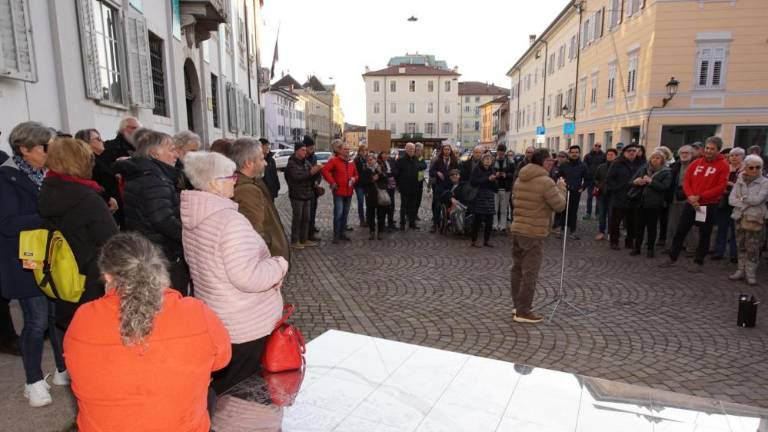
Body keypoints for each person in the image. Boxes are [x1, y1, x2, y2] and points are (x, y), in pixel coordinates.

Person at [64, 232, 231, 431]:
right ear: (157, 268)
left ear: (108, 275)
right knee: (209, 393)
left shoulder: (83, 320)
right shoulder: (196, 312)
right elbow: (222, 359)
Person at [181, 152, 288, 395]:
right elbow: (248, 277)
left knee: (225, 390)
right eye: (231, 176)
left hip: (218, 316)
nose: (235, 181)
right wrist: (279, 264)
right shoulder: (230, 221)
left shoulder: (194, 216)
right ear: (215, 183)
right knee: (244, 393)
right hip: (246, 323)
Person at [0, 122, 66, 407]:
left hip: (50, 260)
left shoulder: (46, 175)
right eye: (44, 147)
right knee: (36, 321)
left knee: (55, 318)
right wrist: (47, 216)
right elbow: (7, 224)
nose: (49, 151)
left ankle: (62, 370)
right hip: (24, 263)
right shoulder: (6, 178)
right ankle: (33, 381)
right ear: (24, 150)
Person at [38, 138, 119, 327]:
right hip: (91, 282)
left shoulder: (47, 189)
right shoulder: (88, 199)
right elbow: (113, 243)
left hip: (63, 275)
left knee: (69, 332)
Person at [113, 131, 190, 296]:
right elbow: (162, 219)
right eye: (171, 149)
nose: (175, 155)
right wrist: (188, 235)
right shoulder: (153, 179)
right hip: (162, 254)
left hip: (151, 250)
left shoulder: (148, 174)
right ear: (155, 153)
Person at [510, 149, 567, 324]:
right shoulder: (546, 182)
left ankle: (517, 305)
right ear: (543, 162)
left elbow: (514, 200)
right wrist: (561, 189)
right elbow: (559, 206)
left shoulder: (520, 178)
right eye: (550, 160)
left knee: (517, 269)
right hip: (533, 232)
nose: (553, 163)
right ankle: (524, 311)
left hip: (518, 228)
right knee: (530, 272)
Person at [661, 136, 730, 270]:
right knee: (681, 231)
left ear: (718, 150)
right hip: (691, 203)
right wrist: (691, 196)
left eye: (712, 149)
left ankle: (698, 261)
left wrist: (700, 197)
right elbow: (687, 181)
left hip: (706, 205)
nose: (709, 151)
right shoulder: (696, 162)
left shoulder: (723, 165)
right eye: (707, 148)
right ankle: (672, 257)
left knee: (703, 234)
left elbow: (720, 187)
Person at [231, 138, 290, 259]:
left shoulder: (254, 181)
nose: (266, 163)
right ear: (248, 163)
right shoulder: (247, 190)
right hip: (268, 260)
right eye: (261, 159)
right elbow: (255, 235)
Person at [728, 155, 768, 285]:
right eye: (751, 167)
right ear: (745, 167)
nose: (755, 169)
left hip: (755, 218)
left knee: (753, 247)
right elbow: (731, 200)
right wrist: (746, 200)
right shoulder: (739, 180)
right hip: (739, 217)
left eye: (758, 167)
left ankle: (750, 274)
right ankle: (740, 270)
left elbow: (759, 200)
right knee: (741, 245)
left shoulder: (765, 182)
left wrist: (742, 199)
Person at [628, 150, 672, 258]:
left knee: (652, 228)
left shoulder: (666, 172)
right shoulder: (644, 168)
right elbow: (631, 181)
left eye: (658, 158)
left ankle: (650, 249)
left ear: (662, 160)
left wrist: (651, 181)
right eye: (653, 157)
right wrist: (636, 182)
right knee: (639, 227)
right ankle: (637, 248)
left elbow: (665, 187)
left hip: (654, 204)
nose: (655, 160)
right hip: (640, 202)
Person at [284, 141, 323, 249]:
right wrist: (311, 172)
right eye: (303, 150)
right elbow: (297, 177)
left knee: (306, 218)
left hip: (308, 194)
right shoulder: (291, 163)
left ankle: (304, 239)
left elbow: (315, 173)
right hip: (297, 195)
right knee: (298, 218)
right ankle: (295, 240)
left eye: (305, 150)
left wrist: (316, 179)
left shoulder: (306, 162)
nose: (305, 152)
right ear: (296, 151)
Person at [322, 139, 359, 242]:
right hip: (338, 191)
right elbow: (325, 171)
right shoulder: (334, 160)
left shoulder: (351, 161)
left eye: (348, 149)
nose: (347, 151)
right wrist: (332, 182)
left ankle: (342, 233)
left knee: (345, 214)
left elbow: (356, 174)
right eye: (345, 149)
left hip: (349, 191)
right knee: (338, 213)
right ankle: (336, 235)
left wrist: (354, 179)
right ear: (340, 150)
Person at [74, 129, 119, 213]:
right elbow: (90, 185)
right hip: (102, 207)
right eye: (98, 139)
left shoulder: (101, 158)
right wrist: (107, 198)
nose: (102, 141)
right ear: (86, 143)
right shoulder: (87, 163)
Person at [606, 144, 642, 250]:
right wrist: (617, 189)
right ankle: (614, 242)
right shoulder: (617, 163)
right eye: (629, 151)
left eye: (634, 151)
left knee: (632, 222)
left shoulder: (639, 163)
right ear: (624, 152)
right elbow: (609, 179)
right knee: (616, 222)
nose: (632, 153)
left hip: (634, 197)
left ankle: (629, 242)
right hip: (620, 197)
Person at [712, 147, 744, 262]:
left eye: (737, 155)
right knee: (722, 228)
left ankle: (734, 255)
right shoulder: (726, 168)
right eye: (732, 155)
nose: (734, 157)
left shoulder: (745, 170)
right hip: (723, 202)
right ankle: (718, 252)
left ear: (742, 157)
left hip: (737, 203)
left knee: (736, 230)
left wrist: (731, 185)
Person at [667, 145, 696, 253]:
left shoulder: (697, 165)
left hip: (694, 198)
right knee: (673, 222)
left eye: (687, 153)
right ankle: (673, 246)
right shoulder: (675, 165)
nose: (684, 155)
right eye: (682, 153)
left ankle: (692, 247)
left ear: (691, 154)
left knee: (693, 225)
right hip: (676, 197)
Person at [555, 145, 587, 239]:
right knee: (563, 210)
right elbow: (558, 175)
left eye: (576, 152)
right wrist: (560, 183)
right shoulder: (564, 165)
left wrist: (583, 187)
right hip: (565, 191)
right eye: (572, 152)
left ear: (579, 153)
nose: (574, 154)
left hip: (576, 191)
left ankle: (572, 231)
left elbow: (588, 179)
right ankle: (561, 230)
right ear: (569, 153)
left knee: (573, 212)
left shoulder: (583, 165)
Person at [429, 143, 460, 232]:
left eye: (448, 149)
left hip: (451, 186)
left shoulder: (454, 160)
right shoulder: (438, 160)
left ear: (450, 151)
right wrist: (437, 173)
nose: (447, 151)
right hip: (440, 186)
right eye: (445, 149)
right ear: (442, 151)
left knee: (450, 204)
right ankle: (435, 224)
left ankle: (449, 222)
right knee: (437, 205)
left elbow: (458, 171)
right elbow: (431, 172)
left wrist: (455, 175)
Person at [470, 153, 499, 247]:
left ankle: (487, 240)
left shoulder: (492, 170)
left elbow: (495, 188)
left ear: (492, 162)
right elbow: (473, 182)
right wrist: (487, 179)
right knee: (477, 220)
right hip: (479, 195)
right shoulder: (477, 169)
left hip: (489, 196)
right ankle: (474, 240)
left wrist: (494, 180)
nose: (488, 161)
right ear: (482, 160)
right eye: (486, 159)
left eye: (490, 159)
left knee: (489, 220)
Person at [358, 153, 388, 240]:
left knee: (381, 214)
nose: (370, 161)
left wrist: (380, 172)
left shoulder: (380, 167)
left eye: (371, 159)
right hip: (370, 194)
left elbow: (386, 179)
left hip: (380, 193)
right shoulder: (365, 169)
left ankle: (380, 232)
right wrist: (371, 180)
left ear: (375, 160)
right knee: (371, 214)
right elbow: (362, 182)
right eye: (368, 160)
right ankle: (372, 231)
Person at [394, 142, 422, 230]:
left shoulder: (416, 159)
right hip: (404, 187)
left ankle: (412, 223)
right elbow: (396, 175)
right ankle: (402, 223)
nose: (411, 151)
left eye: (413, 149)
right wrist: (398, 185)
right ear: (406, 150)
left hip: (414, 187)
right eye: (410, 149)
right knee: (404, 206)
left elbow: (419, 170)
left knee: (413, 206)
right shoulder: (400, 160)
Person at [593, 148, 617, 240]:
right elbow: (595, 178)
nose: (609, 156)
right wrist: (599, 185)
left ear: (615, 156)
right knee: (602, 214)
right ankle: (601, 231)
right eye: (608, 154)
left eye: (612, 155)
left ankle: (611, 232)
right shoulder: (601, 167)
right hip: (602, 194)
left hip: (613, 194)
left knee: (611, 215)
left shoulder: (618, 167)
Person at [493, 144, 515, 232]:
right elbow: (491, 172)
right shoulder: (493, 160)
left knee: (503, 209)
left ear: (504, 152)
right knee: (494, 208)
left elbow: (513, 174)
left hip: (506, 188)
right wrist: (495, 174)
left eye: (502, 152)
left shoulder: (510, 162)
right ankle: (494, 225)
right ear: (497, 151)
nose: (501, 153)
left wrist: (506, 175)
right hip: (495, 188)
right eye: (499, 151)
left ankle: (503, 226)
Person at [304, 137, 322, 240]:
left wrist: (317, 182)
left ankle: (312, 227)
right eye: (310, 148)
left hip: (314, 189)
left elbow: (318, 173)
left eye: (313, 147)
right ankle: (308, 233)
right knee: (307, 213)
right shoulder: (303, 158)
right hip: (306, 189)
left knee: (313, 210)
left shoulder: (314, 157)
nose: (312, 150)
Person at [583, 143, 606, 220]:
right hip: (590, 179)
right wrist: (588, 172)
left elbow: (605, 166)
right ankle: (588, 213)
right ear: (593, 146)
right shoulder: (588, 156)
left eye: (599, 146)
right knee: (589, 197)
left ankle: (597, 214)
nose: (597, 147)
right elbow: (585, 165)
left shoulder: (603, 155)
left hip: (599, 180)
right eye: (596, 145)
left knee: (598, 198)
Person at [378, 150, 397, 231]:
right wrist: (389, 175)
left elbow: (395, 171)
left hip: (392, 186)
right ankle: (382, 225)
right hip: (383, 187)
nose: (386, 155)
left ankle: (390, 222)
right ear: (381, 154)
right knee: (384, 206)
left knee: (391, 205)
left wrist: (391, 174)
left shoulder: (391, 161)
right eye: (384, 153)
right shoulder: (379, 163)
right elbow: (382, 174)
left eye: (387, 154)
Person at [353, 144, 370, 227]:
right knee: (361, 202)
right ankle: (362, 220)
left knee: (368, 202)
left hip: (367, 184)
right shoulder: (356, 160)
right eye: (363, 151)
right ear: (359, 152)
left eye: (365, 151)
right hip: (359, 185)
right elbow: (354, 172)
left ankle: (368, 218)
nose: (364, 152)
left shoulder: (368, 160)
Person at [414, 142, 428, 219]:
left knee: (418, 199)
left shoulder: (421, 158)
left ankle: (415, 213)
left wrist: (418, 166)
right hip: (413, 182)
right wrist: (419, 166)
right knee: (413, 199)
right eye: (418, 150)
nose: (419, 151)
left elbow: (425, 166)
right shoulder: (413, 157)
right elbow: (416, 167)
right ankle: (410, 214)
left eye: (420, 150)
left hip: (420, 181)